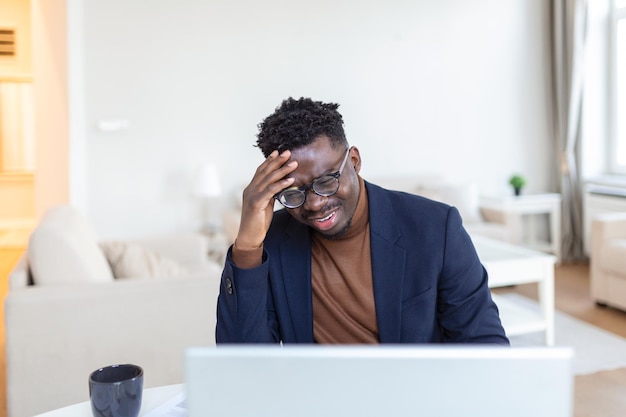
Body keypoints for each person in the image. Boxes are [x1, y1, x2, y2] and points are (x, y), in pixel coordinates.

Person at [216, 97, 509, 345]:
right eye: (294, 193)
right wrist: (247, 247)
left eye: (326, 181)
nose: (315, 203)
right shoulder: (272, 241)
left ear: (354, 161)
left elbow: (484, 344)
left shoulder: (435, 227)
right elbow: (242, 364)